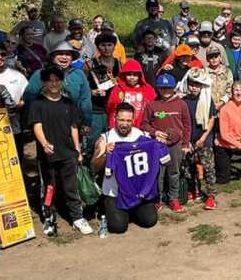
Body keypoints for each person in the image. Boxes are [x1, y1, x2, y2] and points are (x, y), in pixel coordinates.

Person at [28, 65, 92, 236]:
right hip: (48, 155)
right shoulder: (38, 104)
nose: (54, 83)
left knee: (71, 187)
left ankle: (77, 217)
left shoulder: (69, 104)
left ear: (62, 82)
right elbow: (37, 126)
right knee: (50, 187)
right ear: (44, 83)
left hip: (68, 153)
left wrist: (78, 150)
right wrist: (44, 143)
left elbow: (74, 128)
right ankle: (49, 218)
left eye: (57, 80)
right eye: (50, 80)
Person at [92, 103, 163, 234]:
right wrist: (104, 154)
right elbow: (94, 167)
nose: (124, 124)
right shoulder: (105, 138)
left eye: (128, 120)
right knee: (118, 227)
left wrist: (157, 143)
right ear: (115, 118)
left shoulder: (141, 136)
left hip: (137, 191)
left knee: (150, 221)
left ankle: (131, 211)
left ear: (133, 120)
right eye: (121, 120)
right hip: (115, 193)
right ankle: (112, 209)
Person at [141, 74, 191, 213]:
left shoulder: (181, 104)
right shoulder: (152, 104)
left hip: (176, 144)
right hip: (158, 145)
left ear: (174, 88)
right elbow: (144, 124)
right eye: (162, 88)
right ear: (158, 89)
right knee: (158, 173)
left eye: (169, 88)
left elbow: (187, 125)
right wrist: (155, 132)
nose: (166, 91)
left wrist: (185, 144)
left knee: (174, 172)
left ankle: (173, 198)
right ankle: (158, 199)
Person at [23, 42, 93, 133]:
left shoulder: (79, 74)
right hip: (46, 124)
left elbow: (85, 99)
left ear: (72, 58)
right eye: (60, 54)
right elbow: (29, 97)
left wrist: (87, 122)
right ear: (52, 57)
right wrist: (36, 121)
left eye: (68, 54)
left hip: (73, 123)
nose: (64, 57)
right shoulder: (41, 73)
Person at [180, 69, 217, 209]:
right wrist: (186, 141)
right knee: (189, 168)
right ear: (187, 84)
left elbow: (212, 119)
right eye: (191, 84)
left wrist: (203, 137)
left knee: (208, 168)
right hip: (188, 140)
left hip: (204, 139)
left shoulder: (207, 99)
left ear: (202, 86)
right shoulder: (183, 101)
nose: (194, 87)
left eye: (197, 84)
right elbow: (181, 123)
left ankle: (211, 196)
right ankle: (193, 190)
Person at [84, 32, 121, 157]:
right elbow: (81, 87)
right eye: (103, 45)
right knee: (92, 141)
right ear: (98, 47)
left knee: (112, 141)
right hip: (95, 109)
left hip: (113, 109)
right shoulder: (90, 64)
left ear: (114, 46)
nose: (106, 48)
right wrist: (92, 92)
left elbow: (125, 85)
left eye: (109, 45)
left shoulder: (119, 64)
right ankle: (88, 170)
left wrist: (116, 83)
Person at [104, 59, 155, 129]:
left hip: (142, 127)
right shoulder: (118, 89)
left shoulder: (148, 90)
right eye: (129, 74)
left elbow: (153, 109)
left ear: (140, 75)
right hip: (121, 127)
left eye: (135, 74)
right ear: (124, 75)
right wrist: (113, 125)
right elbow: (111, 108)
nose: (132, 77)